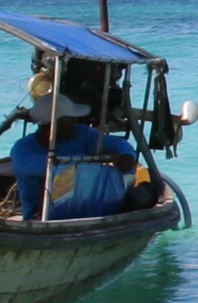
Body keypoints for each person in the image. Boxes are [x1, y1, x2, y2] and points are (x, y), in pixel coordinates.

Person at [9, 58, 142, 220]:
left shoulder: (81, 134)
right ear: (52, 124)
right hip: (42, 217)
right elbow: (53, 170)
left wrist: (126, 155)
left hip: (85, 208)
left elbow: (118, 143)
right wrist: (94, 160)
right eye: (70, 119)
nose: (75, 122)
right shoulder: (22, 149)